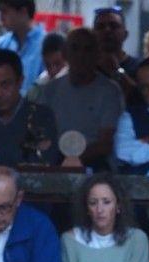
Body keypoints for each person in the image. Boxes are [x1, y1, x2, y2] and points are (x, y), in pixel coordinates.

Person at [34, 28, 122, 171]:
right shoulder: (50, 90)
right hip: (55, 160)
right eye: (75, 48)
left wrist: (74, 159)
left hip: (96, 164)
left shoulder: (109, 91)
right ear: (65, 54)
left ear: (97, 54)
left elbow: (106, 143)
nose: (81, 55)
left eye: (88, 49)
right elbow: (40, 133)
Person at [60, 172, 149, 262]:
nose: (100, 210)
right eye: (93, 203)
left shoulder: (137, 240)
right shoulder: (70, 241)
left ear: (118, 205)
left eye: (106, 202)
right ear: (87, 208)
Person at [0, 0, 44, 93]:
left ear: (23, 12)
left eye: (5, 11)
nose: (1, 18)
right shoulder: (2, 44)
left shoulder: (44, 46)